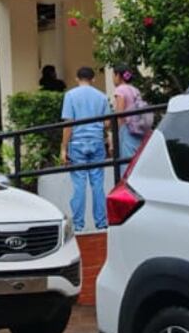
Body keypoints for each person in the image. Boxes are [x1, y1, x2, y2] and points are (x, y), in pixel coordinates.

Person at [61, 65, 112, 232]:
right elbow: (107, 123)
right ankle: (101, 222)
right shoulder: (102, 96)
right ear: (93, 79)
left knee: (79, 184)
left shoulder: (70, 95)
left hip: (77, 143)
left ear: (77, 79)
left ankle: (78, 224)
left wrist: (63, 148)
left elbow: (68, 124)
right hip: (97, 142)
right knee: (97, 183)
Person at [112, 65, 153, 168]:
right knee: (137, 159)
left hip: (127, 128)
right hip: (139, 127)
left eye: (113, 75)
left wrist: (118, 132)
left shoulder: (120, 90)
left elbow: (120, 113)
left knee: (126, 163)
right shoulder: (135, 90)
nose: (113, 78)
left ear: (118, 76)